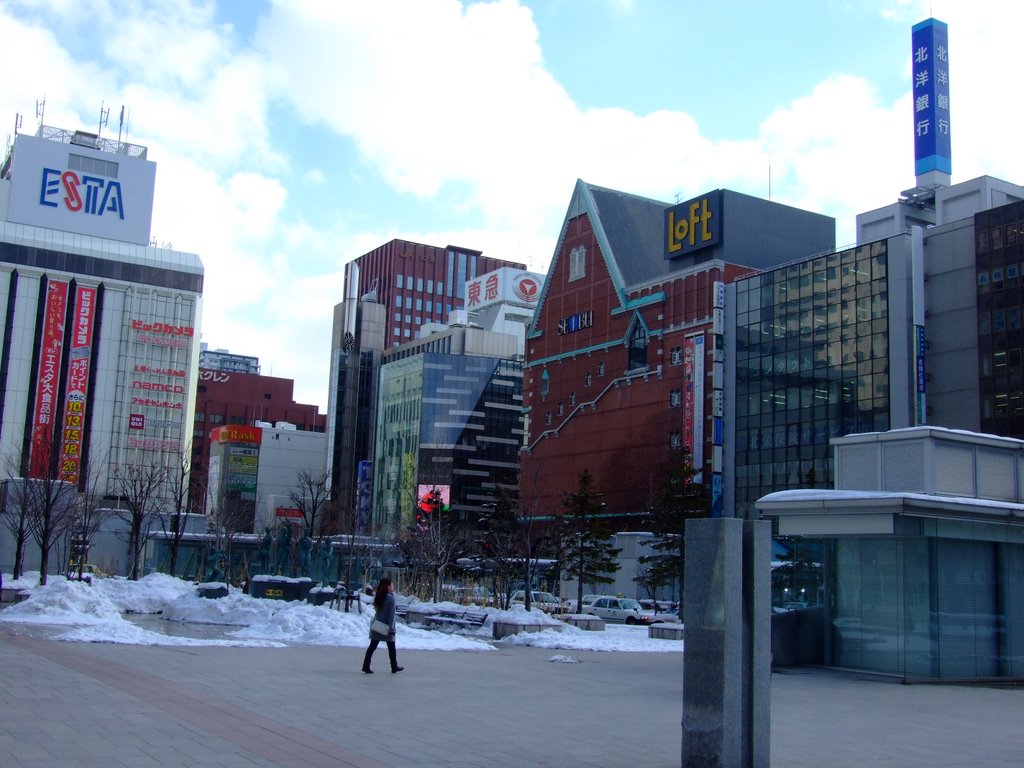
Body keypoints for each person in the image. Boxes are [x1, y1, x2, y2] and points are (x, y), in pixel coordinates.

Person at [362, 577, 403, 674]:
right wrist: (392, 629)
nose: (393, 586)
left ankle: (365, 665)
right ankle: (394, 666)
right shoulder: (391, 598)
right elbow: (391, 616)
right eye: (392, 585)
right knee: (391, 647)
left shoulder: (379, 596)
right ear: (388, 586)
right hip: (386, 627)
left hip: (377, 626)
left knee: (372, 646)